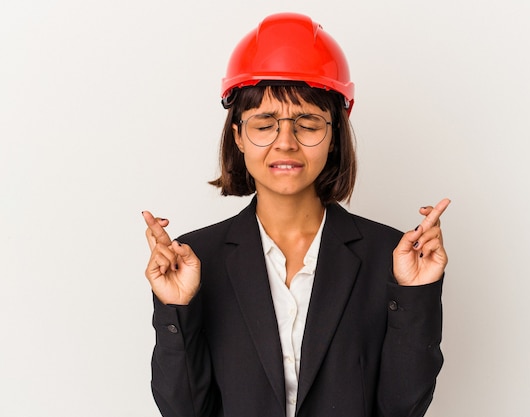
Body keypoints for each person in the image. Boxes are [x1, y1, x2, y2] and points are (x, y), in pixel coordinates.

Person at [142, 12, 450, 417]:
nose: (285, 142)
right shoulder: (197, 259)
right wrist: (175, 310)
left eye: (307, 123)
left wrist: (414, 295)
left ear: (334, 135)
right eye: (264, 124)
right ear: (238, 136)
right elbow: (185, 411)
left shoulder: (389, 257)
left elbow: (401, 407)